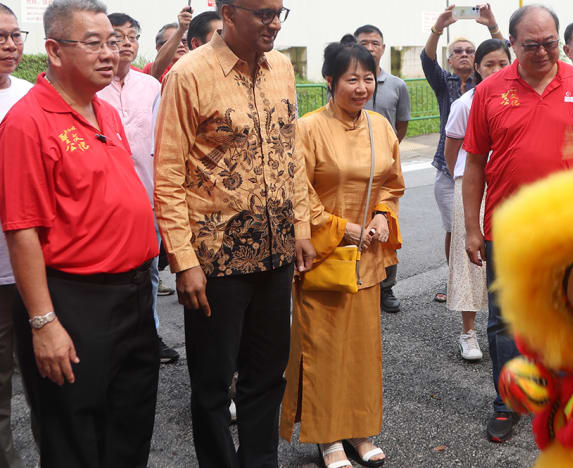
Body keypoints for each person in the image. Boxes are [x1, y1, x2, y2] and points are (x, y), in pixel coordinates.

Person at [154, 0, 315, 466]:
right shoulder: (189, 74)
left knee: (266, 376)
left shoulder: (282, 67)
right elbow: (167, 175)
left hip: (277, 251)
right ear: (227, 12)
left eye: (279, 12)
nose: (273, 23)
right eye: (263, 12)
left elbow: (292, 153)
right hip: (215, 259)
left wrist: (300, 224)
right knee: (211, 383)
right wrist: (183, 262)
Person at [0, 0, 160, 466]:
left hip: (133, 295)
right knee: (75, 438)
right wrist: (44, 323)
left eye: (112, 41)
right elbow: (22, 230)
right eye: (93, 44)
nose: (110, 53)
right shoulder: (27, 124)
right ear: (53, 50)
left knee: (129, 429)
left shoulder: (103, 110)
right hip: (76, 301)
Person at [462, 4, 573, 443]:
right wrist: (472, 229)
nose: (543, 52)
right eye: (531, 45)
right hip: (506, 229)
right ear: (512, 43)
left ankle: (564, 400)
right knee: (504, 321)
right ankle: (508, 403)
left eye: (549, 42)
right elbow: (473, 165)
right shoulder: (490, 91)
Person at [280, 36, 404, 468]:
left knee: (362, 351)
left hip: (367, 255)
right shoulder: (308, 128)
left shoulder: (380, 126)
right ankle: (327, 436)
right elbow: (298, 193)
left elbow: (391, 182)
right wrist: (341, 228)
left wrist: (383, 216)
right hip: (324, 252)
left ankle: (360, 430)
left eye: (368, 78)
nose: (361, 87)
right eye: (352, 79)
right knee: (323, 347)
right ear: (329, 80)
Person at [97, 12, 180, 365]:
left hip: (147, 200)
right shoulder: (93, 88)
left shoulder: (152, 87)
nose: (126, 42)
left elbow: (165, 143)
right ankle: (104, 340)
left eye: (133, 36)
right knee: (105, 278)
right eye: (118, 36)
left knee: (147, 274)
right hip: (102, 205)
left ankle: (150, 334)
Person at [422, 3, 503, 304]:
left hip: (488, 170)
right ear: (450, 59)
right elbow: (427, 60)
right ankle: (457, 280)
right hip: (450, 170)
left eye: (470, 50)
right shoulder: (446, 83)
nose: (465, 54)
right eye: (459, 51)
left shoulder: (494, 87)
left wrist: (493, 26)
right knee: (457, 230)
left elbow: (506, 59)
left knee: (479, 231)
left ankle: (480, 283)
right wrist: (438, 28)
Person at [444, 39, 510, 362]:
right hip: (469, 186)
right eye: (489, 65)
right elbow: (453, 151)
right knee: (470, 258)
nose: (496, 70)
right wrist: (465, 180)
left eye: (502, 64)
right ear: (478, 69)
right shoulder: (467, 103)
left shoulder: (519, 98)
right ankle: (468, 332)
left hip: (507, 185)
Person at [355, 24, 410, 314]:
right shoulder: (346, 81)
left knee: (386, 226)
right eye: (364, 42)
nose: (370, 47)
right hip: (352, 167)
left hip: (385, 170)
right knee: (354, 226)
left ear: (383, 48)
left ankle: (387, 288)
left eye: (375, 43)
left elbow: (402, 123)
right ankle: (357, 278)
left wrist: (389, 152)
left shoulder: (397, 84)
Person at [0, 4, 30, 467]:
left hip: (39, 265)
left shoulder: (31, 96)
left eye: (13, 35)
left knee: (54, 376)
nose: (8, 45)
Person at [142, 6, 191, 81]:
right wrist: (181, 30)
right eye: (176, 41)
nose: (181, 45)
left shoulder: (195, 67)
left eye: (184, 41)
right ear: (159, 47)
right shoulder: (152, 68)